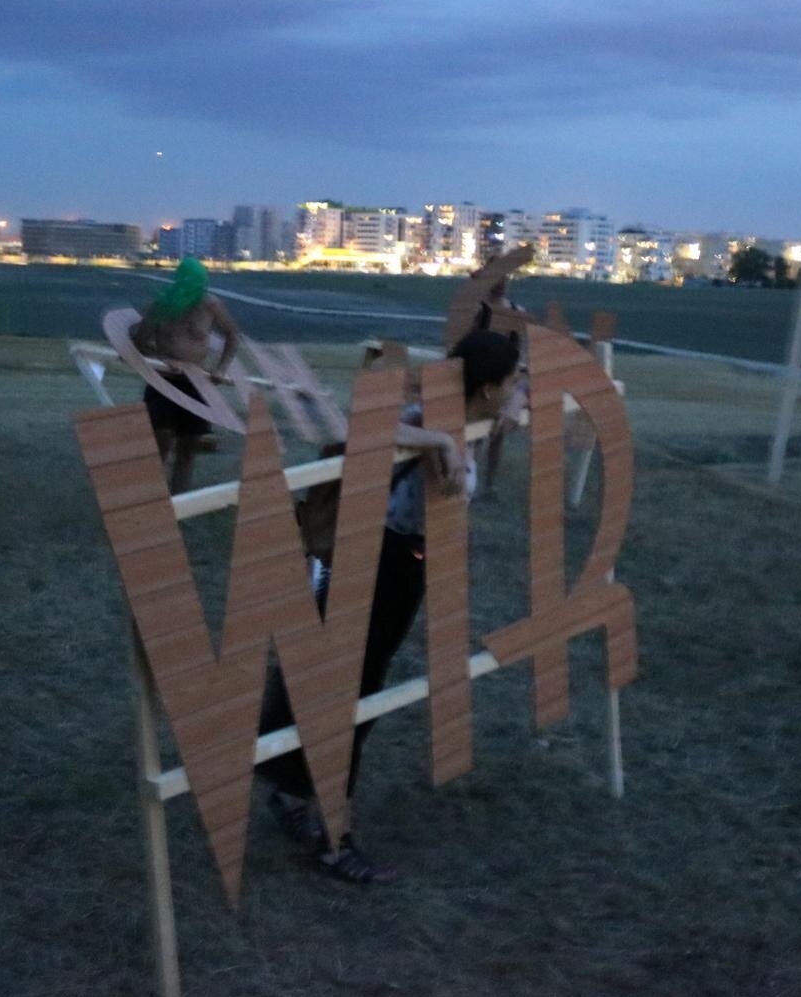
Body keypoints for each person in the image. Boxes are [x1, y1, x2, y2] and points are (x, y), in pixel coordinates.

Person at [258, 328, 521, 883]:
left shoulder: (473, 411)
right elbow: (358, 425)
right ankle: (332, 833)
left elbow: (518, 401)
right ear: (491, 385)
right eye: (514, 379)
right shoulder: (433, 417)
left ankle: (290, 787)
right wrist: (439, 442)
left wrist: (502, 410)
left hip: (406, 565)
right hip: (380, 562)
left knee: (338, 682)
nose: (519, 388)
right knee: (351, 693)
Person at [130, 257, 241, 494]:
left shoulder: (210, 305)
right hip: (162, 380)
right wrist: (161, 357)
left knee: (188, 448)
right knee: (160, 441)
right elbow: (138, 341)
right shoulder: (162, 305)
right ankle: (152, 500)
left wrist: (220, 368)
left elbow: (232, 335)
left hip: (196, 383)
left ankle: (178, 502)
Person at [471, 270, 528, 497]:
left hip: (505, 381)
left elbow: (521, 351)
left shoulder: (517, 312)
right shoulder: (479, 311)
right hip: (481, 379)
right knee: (473, 435)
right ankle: (472, 480)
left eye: (504, 278)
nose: (501, 283)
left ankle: (490, 484)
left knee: (498, 435)